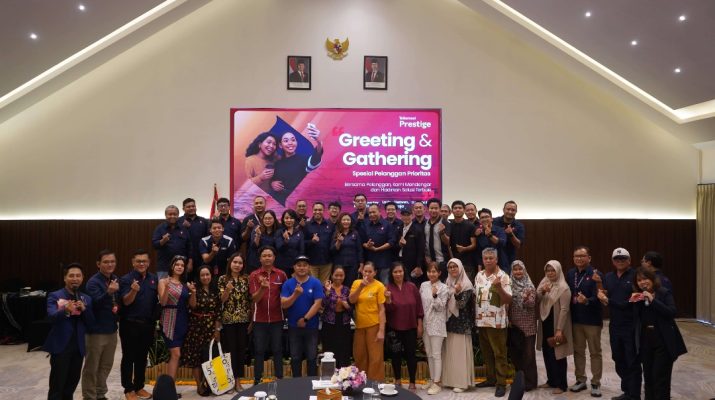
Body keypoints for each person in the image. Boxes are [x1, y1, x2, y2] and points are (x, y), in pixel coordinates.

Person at [631, 267, 687, 400]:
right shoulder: (639, 296)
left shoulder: (663, 293)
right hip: (646, 341)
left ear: (652, 279)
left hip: (663, 341)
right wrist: (633, 302)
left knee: (660, 378)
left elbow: (671, 312)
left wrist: (653, 300)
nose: (642, 282)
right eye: (639, 280)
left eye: (645, 279)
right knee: (648, 377)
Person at [595, 248, 641, 400]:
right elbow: (605, 293)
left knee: (632, 360)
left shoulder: (636, 276)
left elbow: (630, 302)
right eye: (617, 259)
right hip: (615, 325)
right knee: (618, 358)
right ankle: (627, 390)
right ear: (613, 261)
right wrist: (601, 291)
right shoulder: (609, 276)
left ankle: (634, 394)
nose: (620, 261)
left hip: (631, 325)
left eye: (623, 259)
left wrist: (608, 301)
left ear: (629, 260)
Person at [45, 263, 94, 400]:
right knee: (57, 385)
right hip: (61, 346)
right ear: (65, 278)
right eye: (71, 276)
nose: (75, 278)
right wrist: (65, 310)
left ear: (82, 278)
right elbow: (51, 317)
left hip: (78, 347)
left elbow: (91, 323)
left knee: (71, 384)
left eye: (78, 276)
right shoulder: (55, 295)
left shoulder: (86, 298)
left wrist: (85, 310)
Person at [118, 249, 158, 400]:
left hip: (147, 325)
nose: (142, 263)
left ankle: (139, 386)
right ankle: (128, 389)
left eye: (144, 261)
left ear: (149, 262)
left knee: (142, 357)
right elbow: (126, 302)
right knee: (129, 357)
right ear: (133, 263)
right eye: (138, 261)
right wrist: (133, 291)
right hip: (130, 324)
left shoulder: (153, 278)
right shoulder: (126, 279)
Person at [474, 248, 512, 397]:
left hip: (497, 323)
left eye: (491, 258)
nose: (488, 260)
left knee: (499, 353)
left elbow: (508, 300)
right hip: (481, 321)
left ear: (496, 259)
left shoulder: (503, 276)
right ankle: (491, 379)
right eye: (486, 258)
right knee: (487, 353)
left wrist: (499, 287)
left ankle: (501, 383)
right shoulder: (479, 275)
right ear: (483, 260)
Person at [566, 246, 604, 397]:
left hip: (592, 320)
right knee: (578, 351)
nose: (579, 258)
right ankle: (580, 379)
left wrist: (587, 301)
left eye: (582, 256)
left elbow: (601, 296)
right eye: (576, 256)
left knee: (595, 352)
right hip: (576, 319)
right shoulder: (571, 273)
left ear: (589, 258)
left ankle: (596, 382)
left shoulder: (595, 274)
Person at [82, 250, 119, 400]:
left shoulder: (115, 279)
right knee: (92, 367)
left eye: (112, 261)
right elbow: (94, 304)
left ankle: (100, 393)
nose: (110, 264)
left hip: (111, 329)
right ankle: (89, 396)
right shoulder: (93, 282)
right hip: (96, 331)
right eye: (106, 262)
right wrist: (108, 293)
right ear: (98, 264)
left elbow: (117, 302)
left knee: (106, 365)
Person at [249, 246, 288, 384]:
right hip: (259, 319)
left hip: (277, 318)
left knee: (277, 349)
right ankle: (257, 380)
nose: (267, 258)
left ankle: (280, 379)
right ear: (260, 259)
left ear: (274, 257)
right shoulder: (254, 275)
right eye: (264, 255)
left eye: (269, 255)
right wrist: (262, 288)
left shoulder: (281, 274)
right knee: (259, 350)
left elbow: (285, 296)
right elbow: (254, 299)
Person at [281, 255, 324, 377]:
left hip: (311, 326)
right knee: (295, 357)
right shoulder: (288, 283)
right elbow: (283, 304)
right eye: (299, 265)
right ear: (294, 267)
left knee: (311, 356)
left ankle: (311, 383)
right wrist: (295, 294)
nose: (302, 268)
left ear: (309, 267)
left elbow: (318, 303)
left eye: (305, 265)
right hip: (293, 326)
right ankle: (296, 384)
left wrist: (305, 319)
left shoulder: (316, 282)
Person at [180, 265, 221, 395]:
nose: (205, 277)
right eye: (202, 275)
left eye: (207, 274)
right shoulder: (194, 289)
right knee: (196, 358)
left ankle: (210, 383)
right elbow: (193, 306)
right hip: (196, 328)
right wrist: (193, 293)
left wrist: (217, 330)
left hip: (211, 329)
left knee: (210, 357)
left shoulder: (215, 290)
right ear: (199, 277)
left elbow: (218, 312)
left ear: (211, 275)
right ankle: (199, 386)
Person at [536, 260, 573, 395]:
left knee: (558, 354)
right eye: (548, 270)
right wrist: (542, 291)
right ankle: (551, 380)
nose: (550, 273)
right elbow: (536, 298)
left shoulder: (564, 287)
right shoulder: (544, 282)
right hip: (545, 322)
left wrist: (559, 329)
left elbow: (564, 309)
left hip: (557, 323)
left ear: (558, 271)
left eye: (553, 270)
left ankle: (562, 384)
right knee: (547, 352)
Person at [384, 262, 423, 391]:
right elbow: (388, 310)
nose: (398, 274)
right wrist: (388, 300)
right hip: (394, 328)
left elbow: (419, 307)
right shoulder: (387, 288)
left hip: (411, 326)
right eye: (395, 272)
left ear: (404, 272)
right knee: (395, 355)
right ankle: (397, 380)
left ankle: (412, 381)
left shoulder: (412, 287)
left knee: (411, 354)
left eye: (400, 271)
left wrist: (420, 324)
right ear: (391, 274)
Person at [217, 253, 252, 390]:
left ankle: (238, 381)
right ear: (230, 263)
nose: (237, 265)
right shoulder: (222, 279)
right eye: (235, 262)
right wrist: (227, 289)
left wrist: (251, 320)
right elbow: (221, 300)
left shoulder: (247, 279)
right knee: (231, 350)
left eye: (240, 263)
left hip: (243, 319)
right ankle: (230, 381)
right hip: (228, 320)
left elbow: (251, 300)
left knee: (241, 350)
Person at [349, 262, 386, 382]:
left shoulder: (379, 286)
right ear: (362, 271)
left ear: (375, 273)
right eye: (365, 271)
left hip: (374, 325)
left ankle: (375, 384)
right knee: (359, 355)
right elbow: (351, 300)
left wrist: (381, 330)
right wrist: (361, 287)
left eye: (370, 272)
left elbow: (382, 309)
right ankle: (360, 383)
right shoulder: (356, 283)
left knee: (375, 357)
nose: (367, 274)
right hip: (359, 326)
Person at [441, 258, 475, 393]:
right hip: (450, 322)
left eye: (455, 266)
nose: (452, 269)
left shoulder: (466, 284)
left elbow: (461, 305)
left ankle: (462, 383)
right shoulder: (447, 283)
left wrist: (457, 293)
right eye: (450, 267)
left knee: (460, 354)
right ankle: (450, 381)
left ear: (460, 268)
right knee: (451, 353)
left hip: (462, 324)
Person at [270, 126, 324, 205]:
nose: (290, 143)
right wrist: (272, 184)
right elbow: (272, 179)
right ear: (280, 145)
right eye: (286, 141)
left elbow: (314, 161)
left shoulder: (303, 160)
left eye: (293, 140)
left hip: (297, 201)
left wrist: (319, 142)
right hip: (278, 201)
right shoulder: (277, 163)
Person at [158, 256, 190, 382]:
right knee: (176, 353)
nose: (179, 267)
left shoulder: (184, 284)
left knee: (177, 355)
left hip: (182, 319)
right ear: (172, 266)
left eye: (182, 265)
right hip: (169, 319)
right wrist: (167, 287)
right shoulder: (163, 281)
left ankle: (171, 386)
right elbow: (163, 302)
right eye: (177, 264)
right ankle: (170, 387)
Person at [419, 262, 449, 395]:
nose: (432, 274)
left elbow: (441, 307)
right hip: (426, 323)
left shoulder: (444, 288)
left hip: (437, 324)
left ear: (439, 273)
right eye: (430, 271)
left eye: (434, 271)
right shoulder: (423, 285)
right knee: (429, 353)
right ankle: (432, 379)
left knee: (436, 354)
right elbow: (421, 305)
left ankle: (437, 383)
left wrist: (435, 295)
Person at [507, 260, 538, 392]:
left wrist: (526, 299)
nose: (518, 272)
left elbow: (532, 304)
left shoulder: (529, 285)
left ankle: (530, 382)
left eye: (520, 269)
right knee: (516, 354)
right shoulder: (508, 284)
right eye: (515, 269)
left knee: (529, 354)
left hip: (528, 325)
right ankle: (519, 381)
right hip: (514, 325)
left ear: (524, 270)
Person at [321, 266, 353, 368]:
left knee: (344, 349)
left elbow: (352, 310)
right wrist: (327, 293)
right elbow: (322, 305)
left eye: (341, 275)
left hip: (344, 322)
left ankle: (343, 374)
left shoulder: (347, 290)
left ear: (344, 276)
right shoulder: (326, 288)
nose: (338, 277)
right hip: (329, 323)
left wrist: (347, 306)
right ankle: (329, 373)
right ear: (332, 275)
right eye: (336, 275)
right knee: (329, 348)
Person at [152, 205, 191, 279]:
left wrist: (190, 262)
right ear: (166, 215)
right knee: (163, 286)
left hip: (180, 267)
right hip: (164, 267)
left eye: (175, 214)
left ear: (178, 215)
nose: (172, 216)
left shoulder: (183, 229)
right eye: (170, 214)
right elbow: (154, 245)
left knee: (181, 286)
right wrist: (162, 241)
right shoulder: (160, 228)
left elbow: (189, 247)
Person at [363, 204, 396, 284]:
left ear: (379, 212)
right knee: (370, 286)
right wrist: (367, 245)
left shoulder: (387, 225)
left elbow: (391, 242)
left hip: (384, 263)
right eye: (370, 213)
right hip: (370, 263)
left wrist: (377, 249)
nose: (372, 214)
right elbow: (362, 242)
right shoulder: (366, 225)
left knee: (385, 286)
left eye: (374, 212)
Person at [178, 198, 210, 281]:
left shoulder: (204, 221)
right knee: (185, 281)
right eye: (188, 207)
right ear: (183, 208)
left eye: (193, 206)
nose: (191, 208)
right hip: (184, 257)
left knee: (201, 281)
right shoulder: (179, 221)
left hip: (201, 257)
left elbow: (208, 239)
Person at [444, 200, 477, 280]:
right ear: (452, 211)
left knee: (467, 285)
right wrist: (452, 259)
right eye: (455, 208)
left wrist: (464, 249)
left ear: (464, 210)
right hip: (452, 262)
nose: (457, 210)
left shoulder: (470, 226)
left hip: (468, 263)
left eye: (460, 208)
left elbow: (474, 244)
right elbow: (447, 244)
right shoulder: (449, 225)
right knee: (453, 285)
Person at [304, 202, 334, 283]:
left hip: (327, 262)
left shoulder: (330, 224)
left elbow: (332, 242)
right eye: (315, 210)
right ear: (312, 210)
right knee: (313, 285)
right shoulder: (306, 225)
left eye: (320, 210)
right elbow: (302, 243)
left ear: (323, 210)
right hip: (311, 263)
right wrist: (312, 241)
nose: (317, 212)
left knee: (324, 287)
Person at [331, 212, 363, 288]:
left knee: (350, 285)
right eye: (344, 220)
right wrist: (338, 242)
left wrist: (361, 264)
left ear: (351, 221)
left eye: (348, 220)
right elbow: (332, 250)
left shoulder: (355, 233)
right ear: (340, 221)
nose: (346, 222)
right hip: (339, 265)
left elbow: (359, 249)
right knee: (339, 285)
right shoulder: (336, 233)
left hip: (352, 265)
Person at [493, 201, 525, 270]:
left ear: (516, 211)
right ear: (503, 210)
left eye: (513, 210)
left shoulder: (519, 226)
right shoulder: (494, 221)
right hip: (493, 257)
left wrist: (511, 234)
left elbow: (518, 245)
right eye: (508, 209)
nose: (510, 212)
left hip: (509, 259)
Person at [397, 207, 426, 284]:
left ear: (412, 216)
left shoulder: (417, 230)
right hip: (400, 261)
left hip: (412, 263)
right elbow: (395, 245)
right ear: (401, 216)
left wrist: (419, 266)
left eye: (408, 215)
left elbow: (421, 249)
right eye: (404, 215)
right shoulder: (399, 228)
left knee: (412, 285)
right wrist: (399, 244)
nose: (406, 217)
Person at [424, 198, 450, 280]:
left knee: (442, 285)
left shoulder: (445, 223)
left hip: (442, 261)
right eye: (431, 208)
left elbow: (447, 242)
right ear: (428, 209)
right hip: (428, 262)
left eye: (436, 208)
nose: (434, 210)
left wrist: (442, 233)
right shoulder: (425, 223)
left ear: (439, 209)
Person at [275, 209, 305, 274]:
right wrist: (285, 241)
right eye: (286, 218)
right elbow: (279, 248)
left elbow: (301, 250)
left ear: (295, 219)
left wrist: (300, 264)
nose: (289, 220)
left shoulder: (299, 232)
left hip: (295, 265)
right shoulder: (279, 232)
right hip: (282, 265)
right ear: (283, 219)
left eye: (291, 218)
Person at [241, 196, 266, 273]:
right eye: (256, 203)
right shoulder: (248, 219)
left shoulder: (269, 218)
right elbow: (243, 238)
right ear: (253, 205)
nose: (259, 205)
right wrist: (248, 228)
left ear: (265, 204)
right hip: (252, 256)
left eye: (261, 203)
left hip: (267, 254)